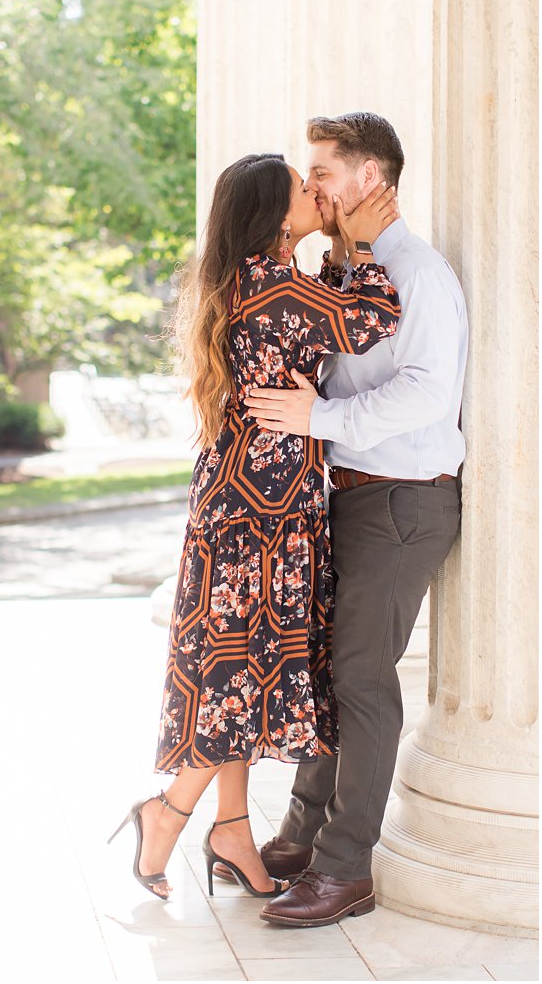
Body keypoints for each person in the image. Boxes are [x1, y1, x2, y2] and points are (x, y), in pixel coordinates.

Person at [111, 151, 402, 903]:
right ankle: (169, 813)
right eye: (304, 189)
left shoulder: (259, 281)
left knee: (233, 672)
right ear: (278, 218)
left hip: (248, 509)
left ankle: (232, 826)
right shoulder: (273, 287)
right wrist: (363, 242)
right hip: (258, 521)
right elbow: (373, 320)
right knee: (234, 682)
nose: (316, 192)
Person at [243, 113, 466, 927]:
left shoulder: (421, 274)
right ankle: (303, 838)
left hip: (402, 501)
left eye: (324, 173)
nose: (313, 189)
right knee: (330, 680)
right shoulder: (352, 271)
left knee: (362, 683)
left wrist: (316, 418)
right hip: (351, 495)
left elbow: (427, 393)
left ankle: (346, 870)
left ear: (371, 179)